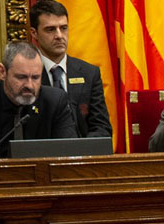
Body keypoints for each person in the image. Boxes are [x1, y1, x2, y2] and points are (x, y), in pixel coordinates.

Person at [30, 0, 112, 138]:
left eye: (63, 28)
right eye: (50, 29)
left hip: (83, 155)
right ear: (34, 33)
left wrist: (79, 150)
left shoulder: (89, 73)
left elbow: (102, 128)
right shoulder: (26, 74)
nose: (59, 36)